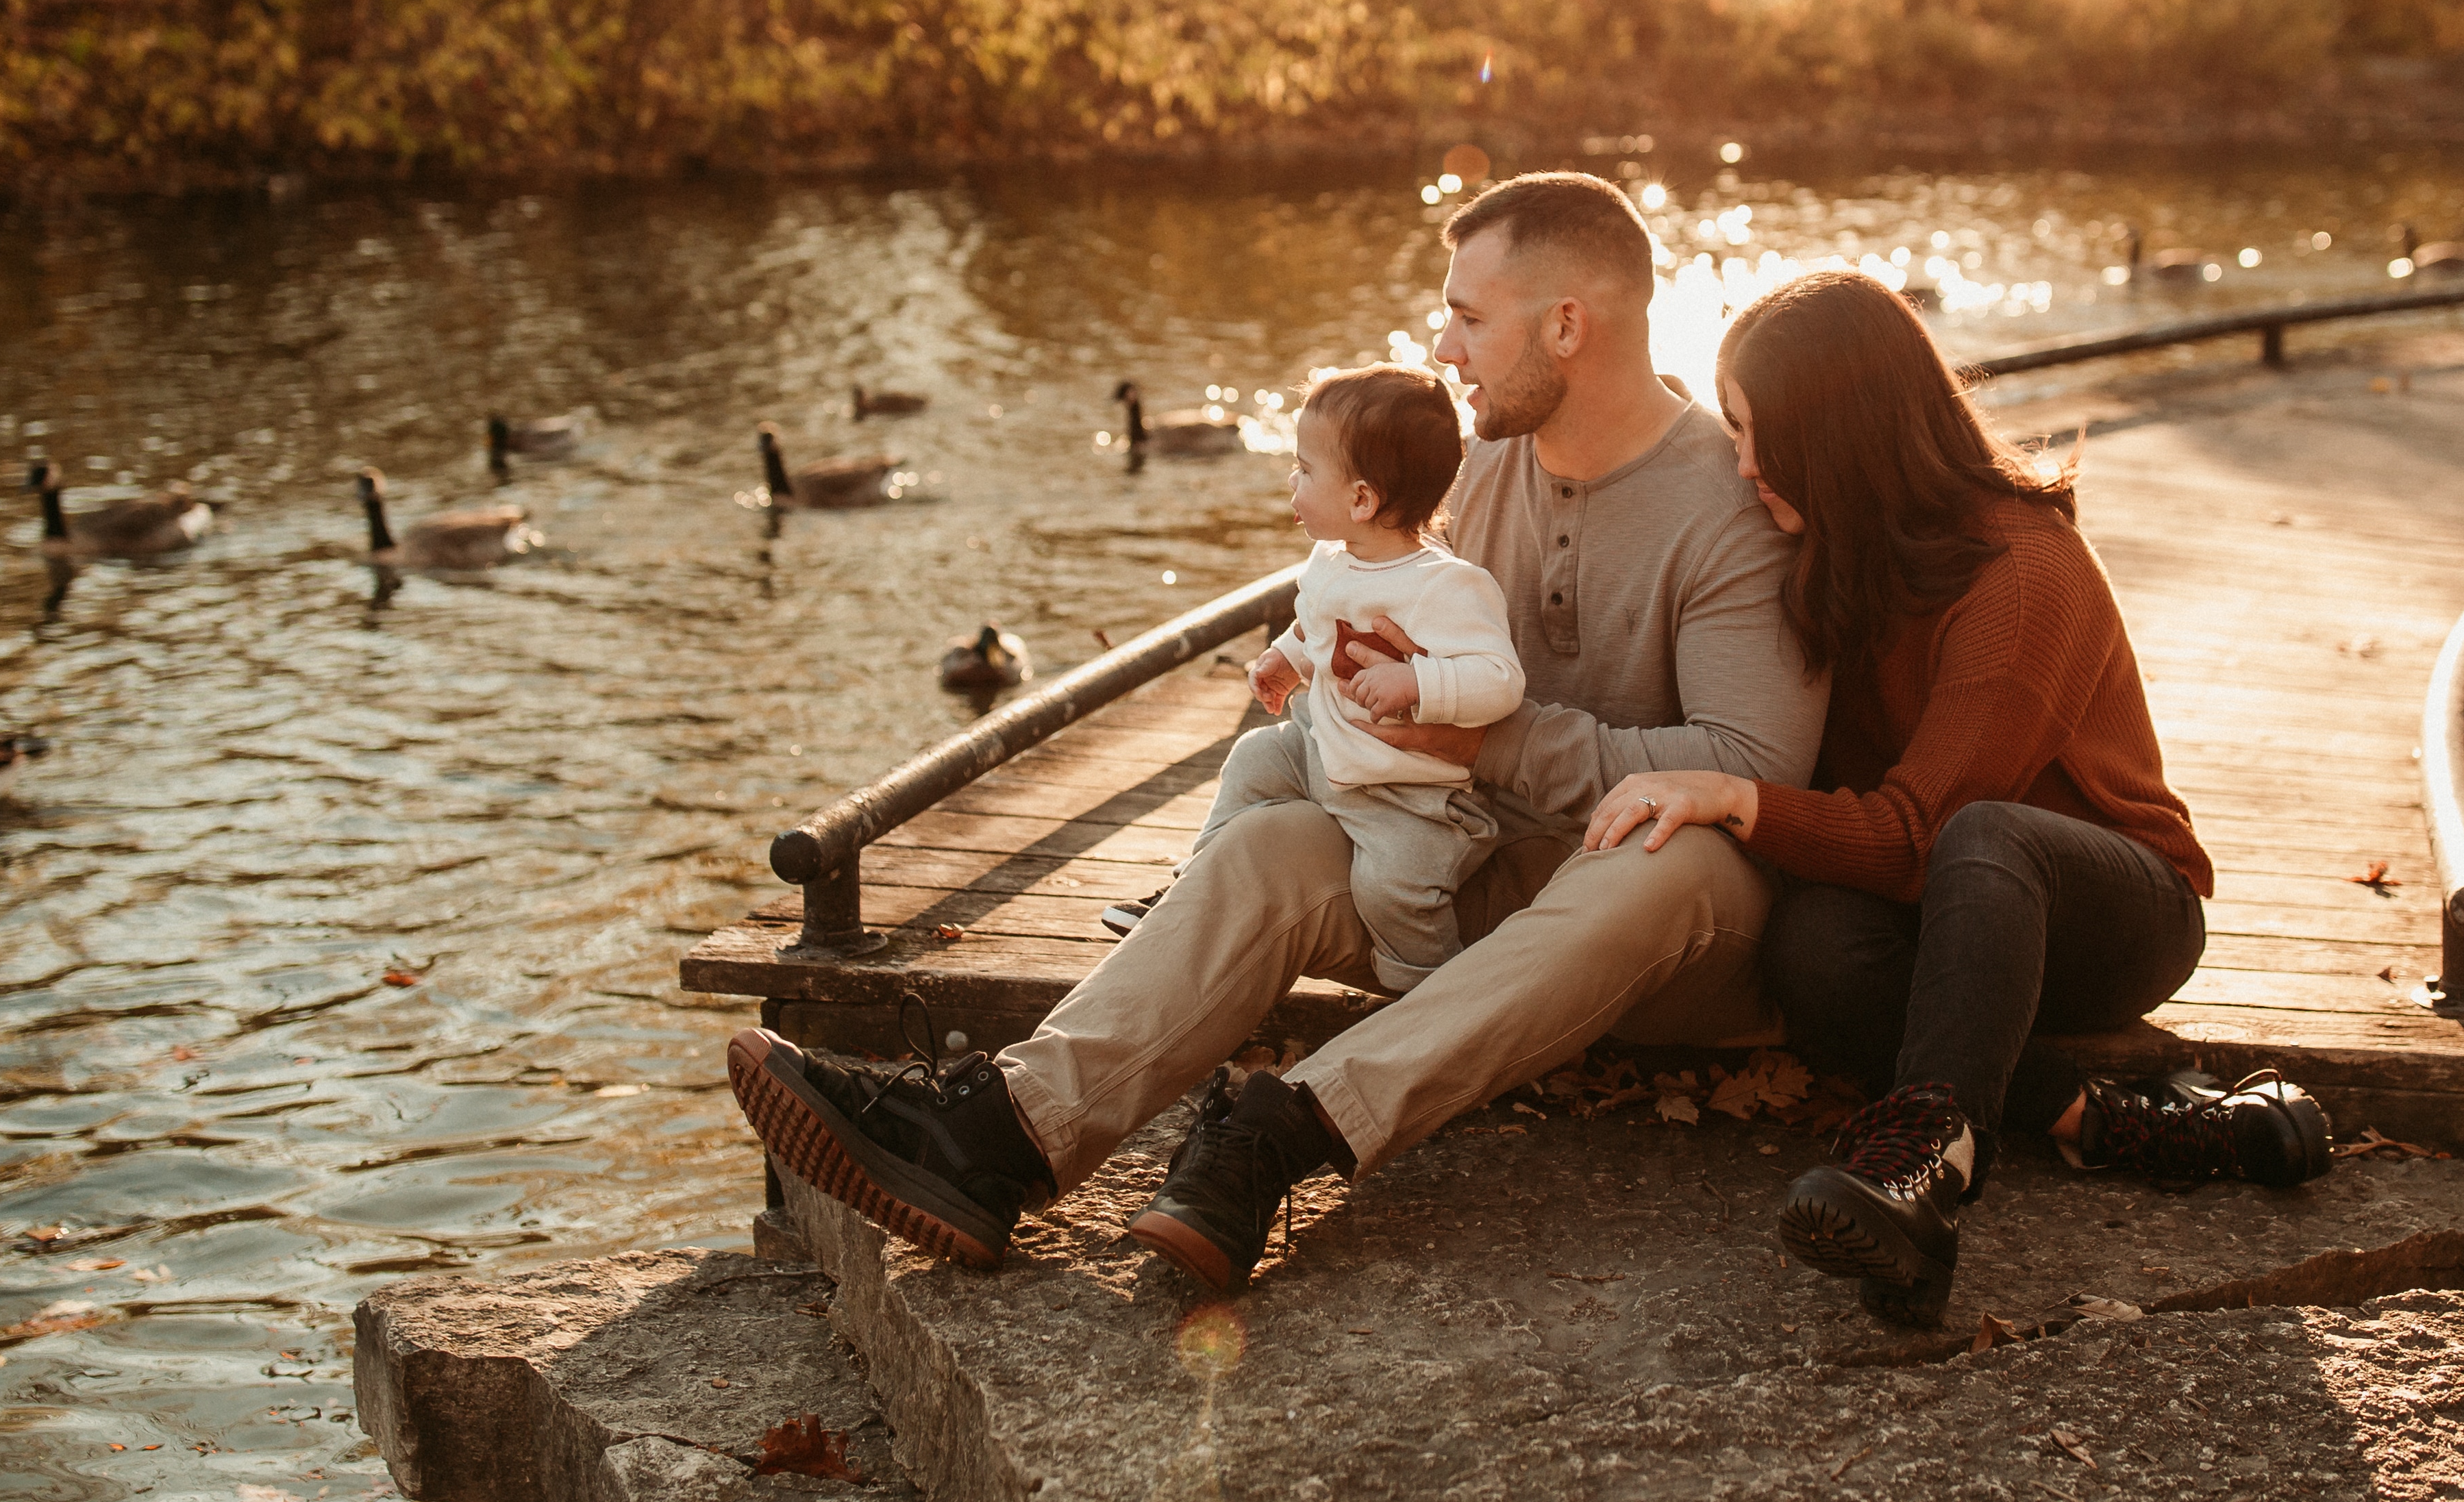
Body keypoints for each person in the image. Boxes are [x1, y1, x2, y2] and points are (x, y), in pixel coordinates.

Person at [725, 171, 1826, 1293]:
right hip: (1474, 864)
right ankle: (999, 1133)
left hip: (1677, 933)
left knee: (1668, 855)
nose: (1445, 346)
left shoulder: (1726, 507)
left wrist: (1485, 742)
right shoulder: (1477, 464)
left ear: (1565, 325)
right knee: (1266, 847)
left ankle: (1288, 1125)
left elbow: (1751, 773)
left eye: (1468, 316)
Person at [1576, 265, 2328, 1331]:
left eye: (1758, 437)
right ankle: (2090, 1117)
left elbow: (1917, 838)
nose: (1740, 467)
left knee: (1982, 836)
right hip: (1947, 917)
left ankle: (1922, 1173)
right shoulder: (1833, 553)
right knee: (1817, 947)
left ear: (1843, 435)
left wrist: (1733, 796)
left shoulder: (2022, 573)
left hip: (2108, 907)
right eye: (1733, 432)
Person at [1179, 362, 1526, 991]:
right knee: (1254, 759)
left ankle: (1425, 992)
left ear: (1362, 499)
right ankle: (1196, 898)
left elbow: (1500, 680)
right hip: (1326, 750)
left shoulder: (1447, 586)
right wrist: (1286, 658)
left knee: (1391, 889)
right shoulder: (1332, 560)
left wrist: (1418, 684)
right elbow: (1318, 625)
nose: (1293, 479)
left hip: (1411, 798)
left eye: (1306, 470)